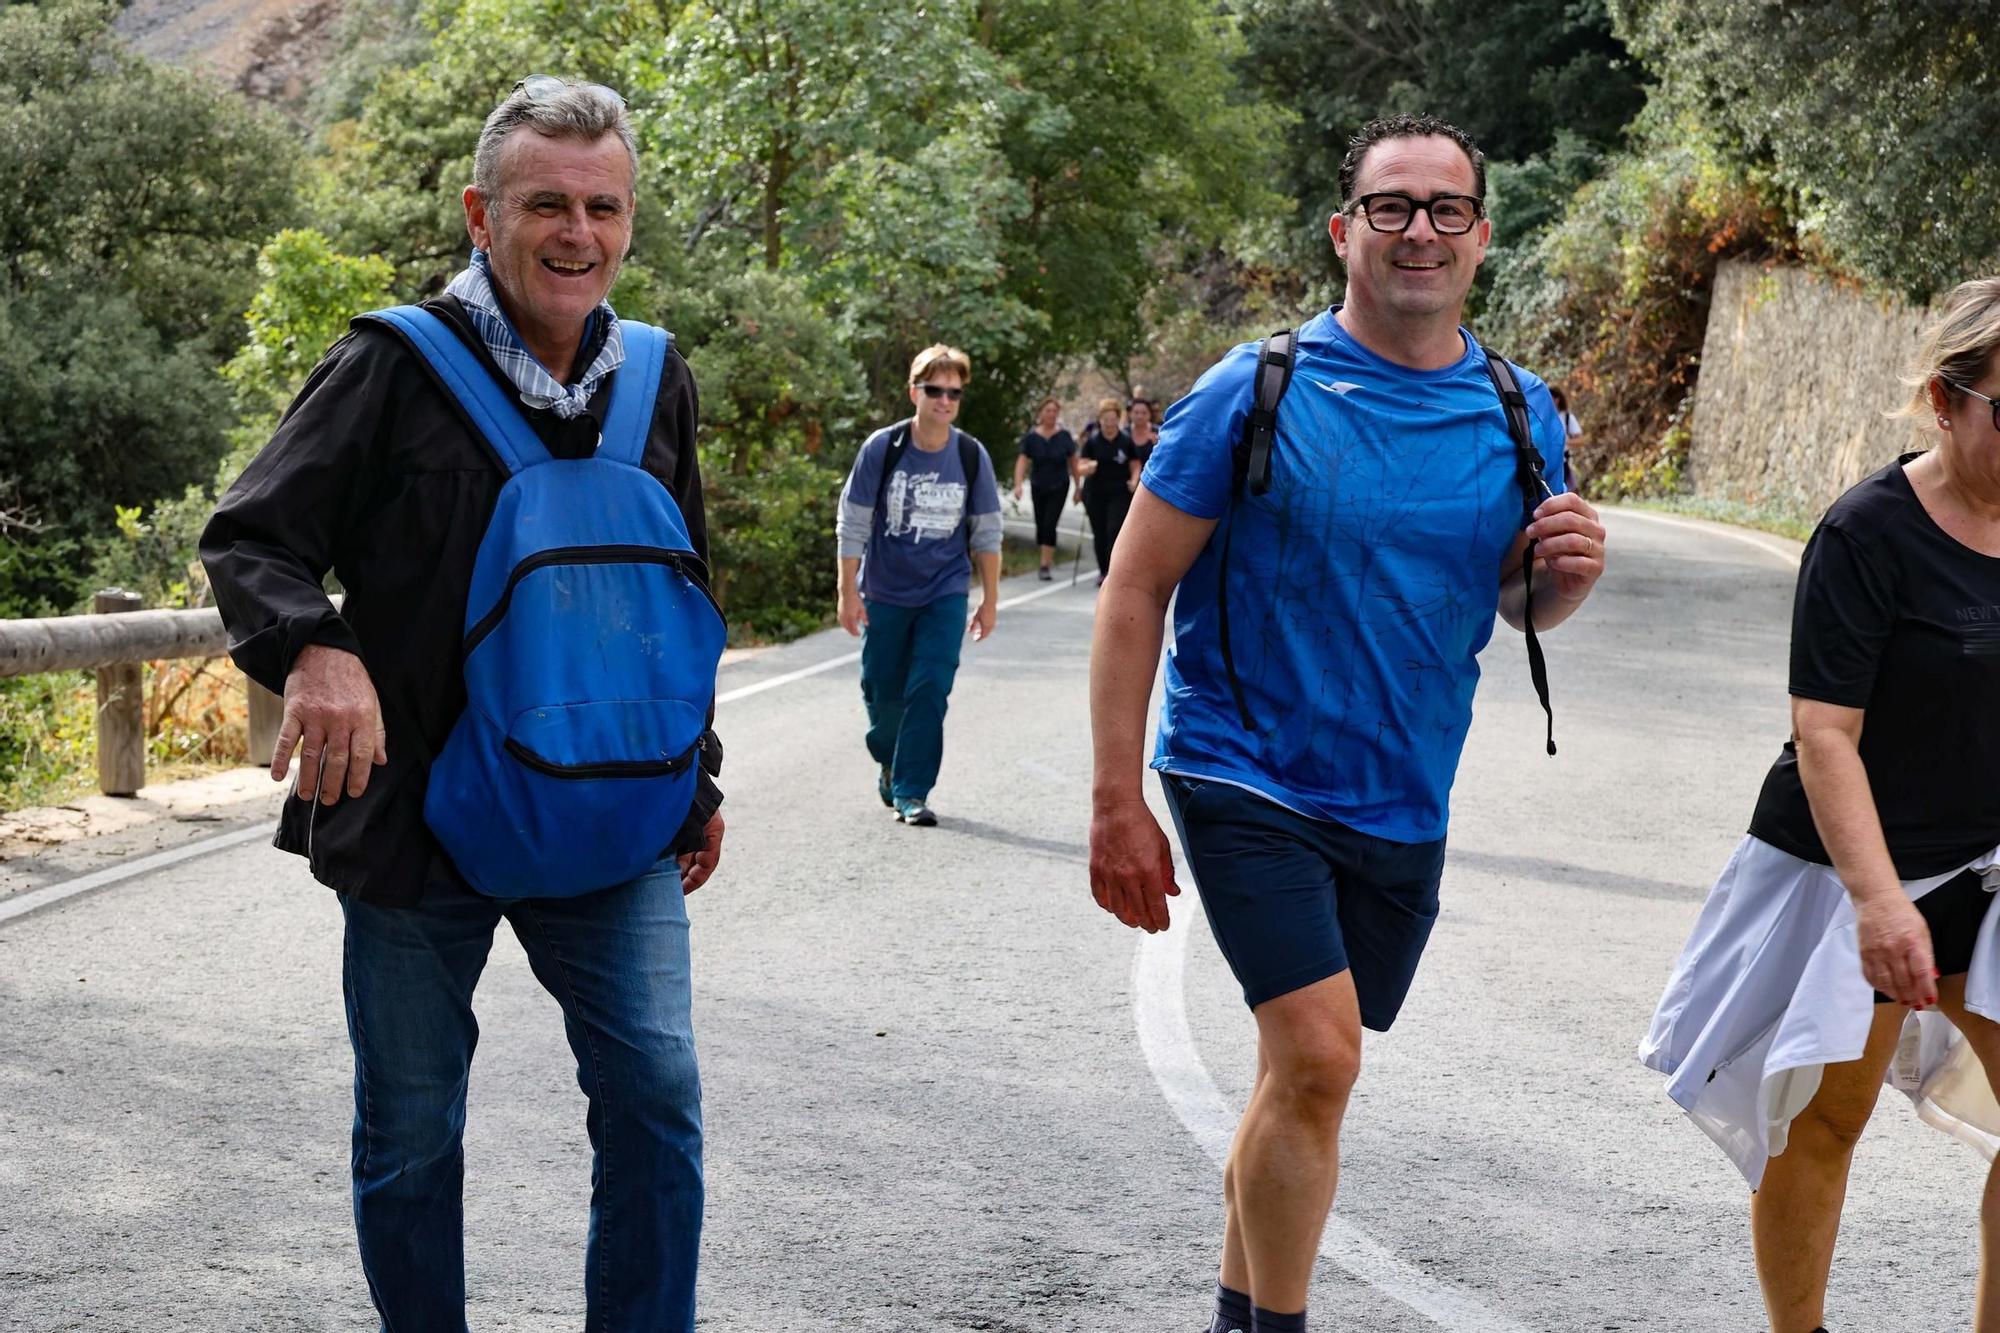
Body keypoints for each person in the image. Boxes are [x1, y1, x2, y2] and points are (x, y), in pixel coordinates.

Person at [199, 79, 726, 1331]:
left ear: (629, 223)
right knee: (413, 1128)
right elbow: (250, 540)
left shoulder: (657, 381)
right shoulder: (391, 366)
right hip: (418, 820)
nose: (577, 231)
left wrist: (695, 777)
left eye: (603, 206)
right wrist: (316, 650)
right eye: (547, 202)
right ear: (481, 214)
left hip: (611, 816)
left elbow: (676, 600)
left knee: (657, 1099)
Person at [1086, 113, 1605, 1333]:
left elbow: (1510, 598)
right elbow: (1132, 588)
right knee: (1319, 1057)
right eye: (1389, 207)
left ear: (1480, 237)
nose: (1415, 230)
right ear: (1342, 232)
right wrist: (1118, 798)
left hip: (1399, 793)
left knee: (1291, 1078)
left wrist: (1559, 588)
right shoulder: (1254, 389)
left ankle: (1231, 1311)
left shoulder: (1521, 411)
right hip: (1239, 768)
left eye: (1442, 209)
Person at [1641, 277, 2000, 1333]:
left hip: (1987, 862)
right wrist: (1879, 902)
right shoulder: (1867, 532)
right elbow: (1823, 734)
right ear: (1943, 400)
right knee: (1823, 1118)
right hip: (1857, 868)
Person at [835, 344, 1003, 827]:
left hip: (944, 592)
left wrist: (990, 601)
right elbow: (853, 523)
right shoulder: (883, 449)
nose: (945, 400)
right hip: (886, 591)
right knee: (882, 693)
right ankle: (890, 761)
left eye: (954, 392)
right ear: (915, 392)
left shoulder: (971, 456)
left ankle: (912, 791)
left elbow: (987, 533)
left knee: (930, 687)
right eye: (935, 390)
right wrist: (847, 590)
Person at [1012, 396, 1077, 579]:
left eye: (1054, 411)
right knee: (1040, 525)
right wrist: (1018, 485)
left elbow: (1073, 461)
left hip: (1059, 485)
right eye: (1048, 411)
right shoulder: (1032, 437)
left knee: (1050, 523)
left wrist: (1078, 487)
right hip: (1038, 485)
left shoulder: (1064, 436)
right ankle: (1046, 555)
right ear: (1041, 413)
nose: (1051, 414)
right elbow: (1022, 461)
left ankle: (1044, 565)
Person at [1077, 396, 1136, 584]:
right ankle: (1103, 571)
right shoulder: (1092, 442)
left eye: (1113, 419)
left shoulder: (1126, 441)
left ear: (1118, 419)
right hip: (1095, 492)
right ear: (1099, 420)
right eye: (1106, 419)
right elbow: (1081, 466)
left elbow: (1135, 464)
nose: (1109, 423)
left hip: (1119, 492)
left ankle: (1113, 572)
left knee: (1114, 529)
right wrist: (1088, 468)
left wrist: (1135, 480)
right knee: (1100, 532)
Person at [1551, 385, 1584, 493]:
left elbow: (1580, 440)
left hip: (1562, 461)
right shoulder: (1542, 416)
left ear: (1557, 400)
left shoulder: (1567, 417)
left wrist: (1563, 442)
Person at [1125, 396, 1159, 494]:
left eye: (1144, 413)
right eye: (1136, 412)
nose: (1140, 416)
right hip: (1126, 487)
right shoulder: (1123, 434)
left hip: (1151, 487)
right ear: (1130, 414)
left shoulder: (1159, 433)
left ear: (1150, 414)